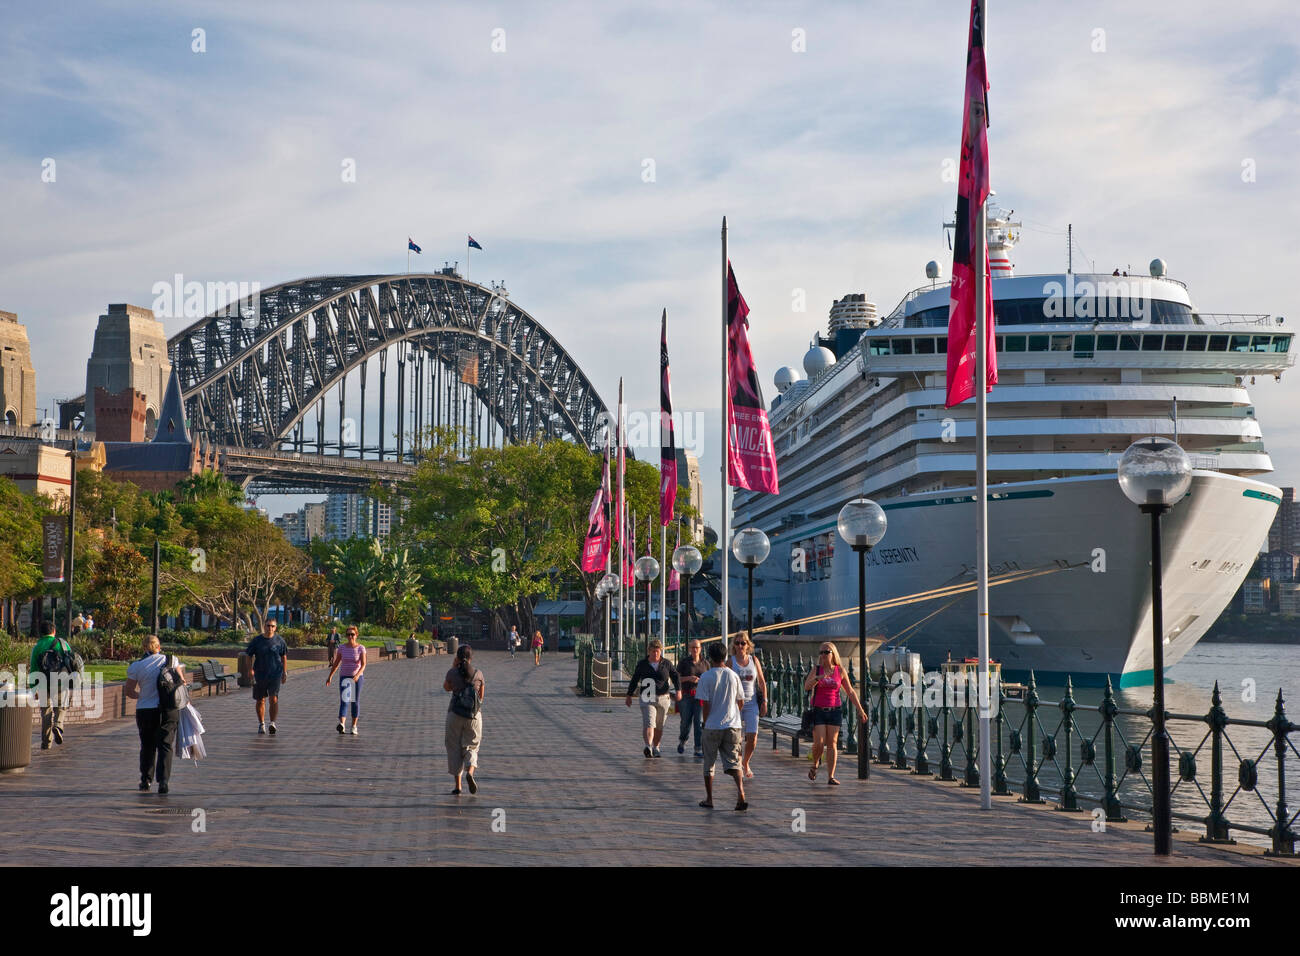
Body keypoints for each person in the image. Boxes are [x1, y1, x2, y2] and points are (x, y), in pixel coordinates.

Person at [124, 635, 185, 793]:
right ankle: (163, 781)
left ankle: (146, 780)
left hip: (145, 710)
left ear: (144, 647)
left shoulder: (136, 666)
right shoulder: (172, 661)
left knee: (147, 746)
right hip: (168, 709)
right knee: (165, 745)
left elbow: (129, 691)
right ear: (159, 647)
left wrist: (142, 695)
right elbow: (182, 683)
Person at [803, 642, 869, 785]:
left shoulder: (840, 670)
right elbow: (806, 686)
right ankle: (815, 764)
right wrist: (817, 679)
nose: (823, 655)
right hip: (819, 710)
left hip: (835, 710)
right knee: (819, 743)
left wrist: (860, 709)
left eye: (826, 652)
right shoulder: (817, 669)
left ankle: (830, 776)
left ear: (833, 654)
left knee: (832, 743)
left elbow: (850, 691)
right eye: (821, 652)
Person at [695, 640, 748, 811]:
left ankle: (709, 798)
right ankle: (741, 793)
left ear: (710, 658)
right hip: (733, 725)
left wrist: (705, 722)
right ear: (725, 656)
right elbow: (741, 701)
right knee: (734, 763)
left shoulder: (706, 677)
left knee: (709, 764)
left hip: (712, 725)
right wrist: (733, 713)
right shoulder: (733, 676)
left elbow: (705, 704)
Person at [624, 639, 681, 758]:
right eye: (653, 651)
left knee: (659, 726)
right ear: (649, 651)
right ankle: (648, 746)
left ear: (661, 651)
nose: (656, 654)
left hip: (663, 697)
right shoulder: (642, 664)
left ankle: (656, 747)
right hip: (647, 697)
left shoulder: (666, 663)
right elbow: (635, 679)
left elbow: (675, 676)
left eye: (658, 651)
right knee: (650, 722)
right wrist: (629, 695)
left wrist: (678, 691)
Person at [443, 645, 485, 795]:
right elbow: (480, 698)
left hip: (455, 714)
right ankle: (471, 771)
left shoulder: (452, 673)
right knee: (472, 747)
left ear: (458, 658)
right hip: (474, 716)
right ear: (471, 658)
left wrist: (453, 667)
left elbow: (446, 688)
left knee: (454, 747)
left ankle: (458, 786)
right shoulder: (479, 674)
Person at [28, 622, 73, 750]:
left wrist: (33, 688)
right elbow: (71, 660)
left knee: (45, 712)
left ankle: (46, 742)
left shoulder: (37, 647)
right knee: (61, 706)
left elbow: (34, 668)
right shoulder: (62, 643)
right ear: (54, 631)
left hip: (42, 683)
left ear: (41, 633)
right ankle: (58, 725)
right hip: (60, 681)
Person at [728, 633, 768, 778]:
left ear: (748, 645)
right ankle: (739, 762)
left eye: (743, 643)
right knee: (736, 737)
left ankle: (745, 762)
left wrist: (764, 701)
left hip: (751, 702)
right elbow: (724, 681)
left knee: (753, 737)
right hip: (735, 703)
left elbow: (762, 682)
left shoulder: (754, 660)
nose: (740, 646)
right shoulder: (730, 661)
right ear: (734, 646)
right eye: (737, 643)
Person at [244, 619, 288, 735]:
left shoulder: (279, 641)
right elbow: (248, 655)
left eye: (273, 626)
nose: (270, 628)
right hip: (260, 674)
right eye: (268, 626)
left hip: (275, 674)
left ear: (275, 628)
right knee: (260, 700)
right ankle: (261, 723)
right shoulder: (257, 640)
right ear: (264, 626)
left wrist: (284, 672)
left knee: (273, 699)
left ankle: (272, 723)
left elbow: (283, 656)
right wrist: (250, 669)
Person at [325, 625, 366, 735]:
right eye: (348, 634)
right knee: (344, 701)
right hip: (344, 677)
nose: (350, 636)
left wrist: (357, 675)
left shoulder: (361, 648)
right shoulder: (342, 648)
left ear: (356, 635)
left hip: (357, 678)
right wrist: (330, 676)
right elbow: (336, 663)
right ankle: (342, 724)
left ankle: (354, 726)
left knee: (354, 702)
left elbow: (363, 664)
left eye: (352, 634)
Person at [675, 639, 706, 757]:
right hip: (687, 695)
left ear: (700, 649)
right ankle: (682, 740)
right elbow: (676, 678)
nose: (695, 650)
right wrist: (689, 678)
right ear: (689, 649)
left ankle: (698, 748)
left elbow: (710, 678)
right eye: (692, 647)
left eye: (697, 647)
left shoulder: (705, 663)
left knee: (699, 722)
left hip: (700, 696)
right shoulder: (684, 662)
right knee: (685, 722)